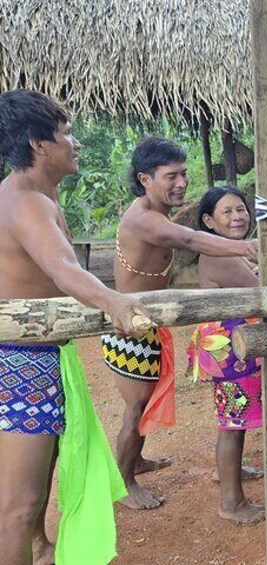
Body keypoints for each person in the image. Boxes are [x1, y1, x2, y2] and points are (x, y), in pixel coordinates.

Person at [0, 89, 148, 565]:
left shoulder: (27, 197)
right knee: (18, 507)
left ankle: (41, 550)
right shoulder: (26, 202)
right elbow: (64, 267)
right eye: (66, 133)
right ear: (39, 145)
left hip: (31, 359)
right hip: (21, 363)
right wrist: (115, 302)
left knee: (32, 493)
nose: (76, 142)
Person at [101, 137, 259, 510]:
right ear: (145, 178)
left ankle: (136, 461)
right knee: (135, 408)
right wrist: (246, 246)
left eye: (184, 174)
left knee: (143, 401)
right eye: (171, 176)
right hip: (129, 329)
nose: (182, 182)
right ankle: (124, 483)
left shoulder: (156, 213)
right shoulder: (144, 219)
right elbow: (191, 238)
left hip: (147, 324)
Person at [186, 186, 265, 524]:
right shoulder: (223, 255)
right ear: (208, 221)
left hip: (229, 349)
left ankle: (229, 476)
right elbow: (262, 291)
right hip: (232, 352)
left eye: (241, 209)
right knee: (231, 425)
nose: (237, 217)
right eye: (227, 212)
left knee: (234, 420)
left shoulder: (228, 254)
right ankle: (231, 503)